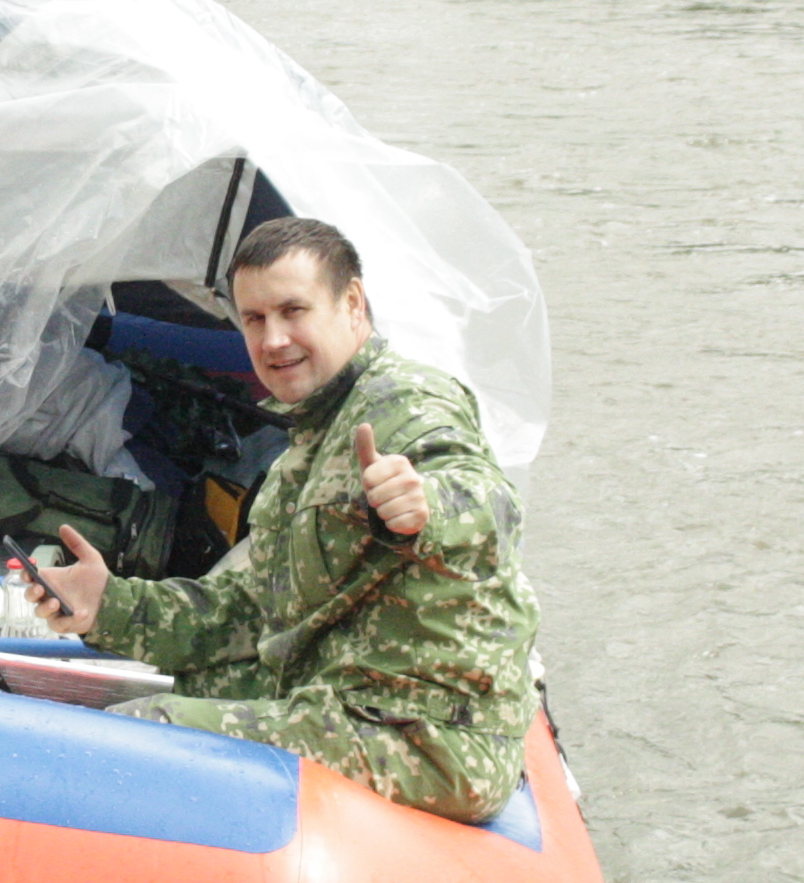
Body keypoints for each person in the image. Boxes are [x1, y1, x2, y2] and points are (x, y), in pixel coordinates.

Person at [27, 215, 539, 823]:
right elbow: (243, 612)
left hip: (428, 737)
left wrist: (424, 507)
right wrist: (107, 604)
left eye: (293, 311)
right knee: (164, 690)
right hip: (347, 700)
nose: (273, 340)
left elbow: (487, 500)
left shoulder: (404, 401)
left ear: (352, 304)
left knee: (141, 733)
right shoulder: (307, 441)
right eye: (255, 319)